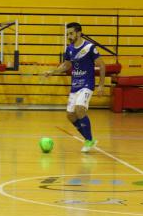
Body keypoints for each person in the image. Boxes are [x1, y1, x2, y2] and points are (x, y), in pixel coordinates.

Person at [44, 22, 105, 153]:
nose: (69, 36)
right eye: (67, 34)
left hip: (87, 84)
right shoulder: (69, 49)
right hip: (75, 86)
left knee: (79, 109)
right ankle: (89, 139)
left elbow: (102, 65)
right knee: (70, 115)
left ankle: (89, 140)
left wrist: (101, 84)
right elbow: (66, 66)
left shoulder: (89, 47)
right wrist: (52, 72)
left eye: (71, 33)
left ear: (79, 33)